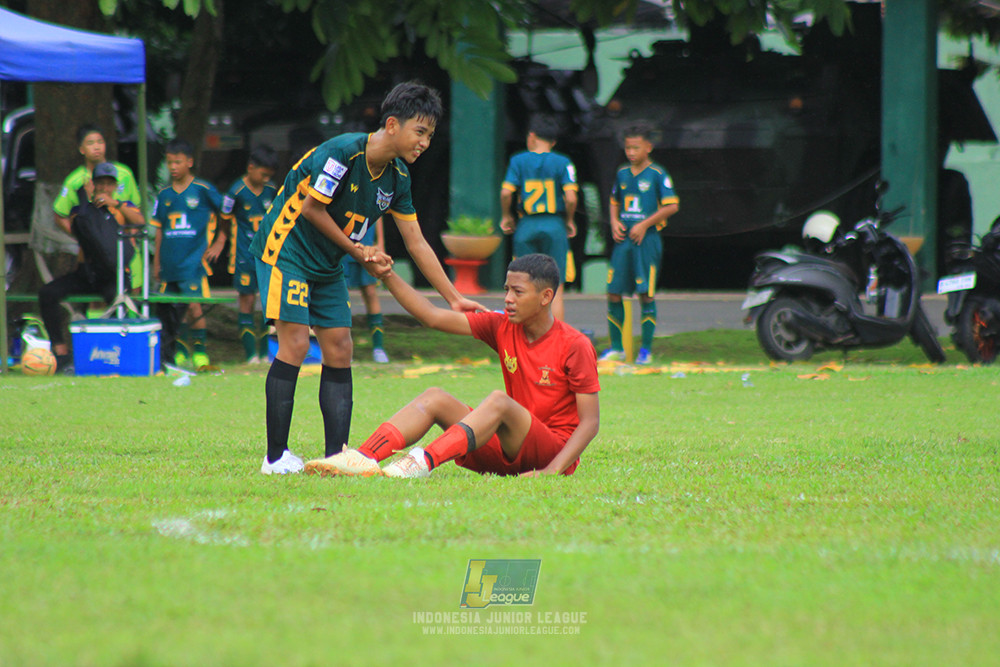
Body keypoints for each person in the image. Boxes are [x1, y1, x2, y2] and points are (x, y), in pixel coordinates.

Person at [251, 80, 484, 475]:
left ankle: (336, 457)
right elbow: (311, 210)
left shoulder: (398, 178)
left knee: (340, 347)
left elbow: (416, 242)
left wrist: (453, 297)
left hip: (328, 261)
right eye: (420, 132)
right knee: (294, 342)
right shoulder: (342, 153)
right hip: (285, 249)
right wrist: (359, 252)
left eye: (430, 135)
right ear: (392, 125)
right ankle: (275, 458)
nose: (424, 143)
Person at [305, 253, 600, 479]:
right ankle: (363, 458)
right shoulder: (501, 325)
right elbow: (432, 317)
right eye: (507, 289)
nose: (508, 299)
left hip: (551, 453)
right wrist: (387, 275)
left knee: (499, 401)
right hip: (508, 450)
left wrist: (553, 470)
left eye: (518, 292)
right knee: (435, 397)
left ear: (546, 296)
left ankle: (421, 462)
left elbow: (590, 423)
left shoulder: (574, 344)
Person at [39, 162, 144, 373]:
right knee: (48, 293)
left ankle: (115, 355)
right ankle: (61, 351)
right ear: (93, 185)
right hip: (86, 273)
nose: (104, 188)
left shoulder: (122, 206)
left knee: (117, 301)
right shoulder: (83, 210)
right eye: (101, 184)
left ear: (115, 186)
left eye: (109, 184)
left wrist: (114, 203)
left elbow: (140, 221)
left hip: (112, 275)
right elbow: (77, 225)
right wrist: (87, 201)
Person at [599, 122, 679, 365]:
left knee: (646, 294)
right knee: (613, 291)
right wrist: (613, 222)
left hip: (647, 241)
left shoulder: (657, 174)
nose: (631, 153)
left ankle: (645, 350)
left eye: (635, 148)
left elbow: (672, 205)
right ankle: (617, 348)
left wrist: (645, 224)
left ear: (648, 147)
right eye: (627, 148)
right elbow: (615, 200)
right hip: (624, 241)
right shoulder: (623, 173)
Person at [150, 138, 227, 370]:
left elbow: (226, 213)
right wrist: (156, 262)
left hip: (193, 262)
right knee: (174, 309)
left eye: (178, 162)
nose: (173, 167)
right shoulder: (164, 195)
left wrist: (220, 241)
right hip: (170, 263)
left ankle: (200, 353)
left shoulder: (203, 190)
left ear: (189, 162)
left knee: (194, 306)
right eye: (170, 162)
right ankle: (180, 351)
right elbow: (160, 230)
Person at [499, 116, 579, 322]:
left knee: (522, 286)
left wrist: (507, 216)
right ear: (553, 141)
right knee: (555, 287)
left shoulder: (518, 160)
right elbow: (571, 197)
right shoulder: (563, 162)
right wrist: (569, 220)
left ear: (531, 136)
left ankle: (524, 336)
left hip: (526, 225)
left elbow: (506, 193)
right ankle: (556, 340)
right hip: (554, 225)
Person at [221, 145, 279, 364]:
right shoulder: (236, 191)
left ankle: (266, 355)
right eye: (262, 174)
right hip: (244, 256)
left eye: (268, 176)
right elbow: (224, 219)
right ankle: (250, 355)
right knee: (246, 302)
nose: (265, 179)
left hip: (268, 257)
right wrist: (221, 241)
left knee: (268, 305)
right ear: (251, 167)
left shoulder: (272, 190)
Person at [53, 124, 141, 237]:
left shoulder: (124, 173)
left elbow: (136, 209)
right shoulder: (74, 181)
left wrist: (130, 238)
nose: (96, 147)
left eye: (100, 142)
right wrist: (83, 240)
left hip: (123, 248)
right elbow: (60, 216)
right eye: (90, 143)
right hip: (94, 251)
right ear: (81, 149)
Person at [340, 216, 390, 363]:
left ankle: (378, 347)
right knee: (342, 295)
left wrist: (380, 242)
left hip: (367, 245)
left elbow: (379, 214)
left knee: (370, 291)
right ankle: (343, 347)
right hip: (343, 244)